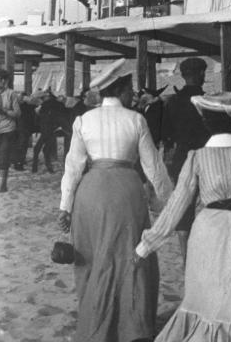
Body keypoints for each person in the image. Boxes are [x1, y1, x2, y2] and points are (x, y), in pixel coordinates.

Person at [135, 92, 231, 342]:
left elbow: (177, 204)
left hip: (209, 230)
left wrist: (147, 245)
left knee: (210, 295)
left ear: (206, 122)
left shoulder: (197, 156)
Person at [58, 58, 173, 342]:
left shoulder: (83, 120)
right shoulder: (136, 119)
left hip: (91, 192)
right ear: (122, 88)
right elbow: (154, 168)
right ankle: (130, 327)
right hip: (126, 191)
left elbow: (72, 167)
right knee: (129, 257)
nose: (132, 93)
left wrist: (65, 207)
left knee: (92, 258)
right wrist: (169, 203)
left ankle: (94, 324)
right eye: (130, 87)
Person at [161, 57, 209, 263]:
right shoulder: (207, 100)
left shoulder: (173, 101)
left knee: (185, 205)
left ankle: (186, 258)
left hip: (182, 157)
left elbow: (166, 132)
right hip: (206, 156)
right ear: (200, 75)